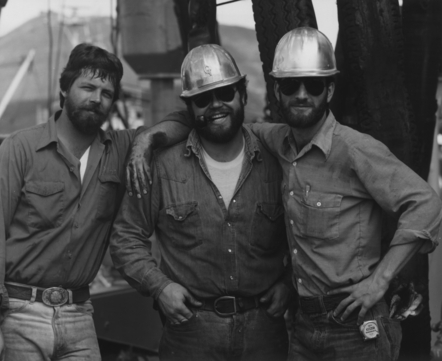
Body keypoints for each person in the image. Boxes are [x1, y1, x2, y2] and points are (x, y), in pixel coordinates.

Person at [129, 28, 442, 361]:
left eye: (314, 84)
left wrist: (380, 281)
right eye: (292, 85)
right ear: (277, 90)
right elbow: (210, 116)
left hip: (356, 328)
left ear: (330, 89)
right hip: (303, 328)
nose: (302, 94)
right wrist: (148, 139)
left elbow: (425, 204)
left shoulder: (355, 150)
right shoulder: (273, 142)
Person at [110, 44, 291, 361]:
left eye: (225, 94)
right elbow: (126, 238)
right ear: (189, 108)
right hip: (191, 333)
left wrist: (290, 282)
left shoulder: (275, 160)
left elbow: (307, 230)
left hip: (265, 331)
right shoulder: (164, 166)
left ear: (242, 93)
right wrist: (160, 287)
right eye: (202, 100)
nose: (216, 105)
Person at [0, 43, 148, 361]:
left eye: (106, 93)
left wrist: (147, 139)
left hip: (79, 313)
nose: (96, 99)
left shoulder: (118, 150)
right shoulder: (19, 148)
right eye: (87, 87)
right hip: (19, 311)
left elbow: (178, 123)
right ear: (64, 90)